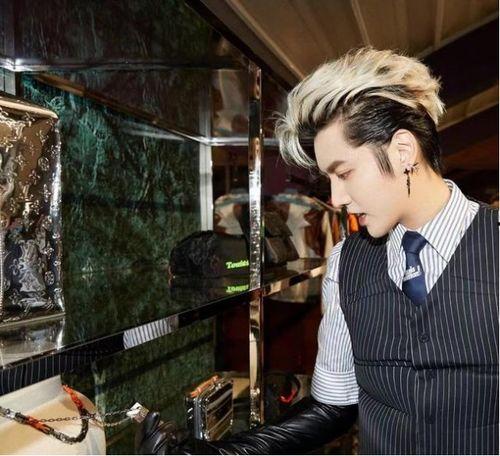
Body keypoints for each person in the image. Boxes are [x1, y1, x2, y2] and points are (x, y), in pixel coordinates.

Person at [136, 47, 498, 455]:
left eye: (345, 173)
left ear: (402, 151)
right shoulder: (347, 263)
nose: (336, 198)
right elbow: (332, 407)